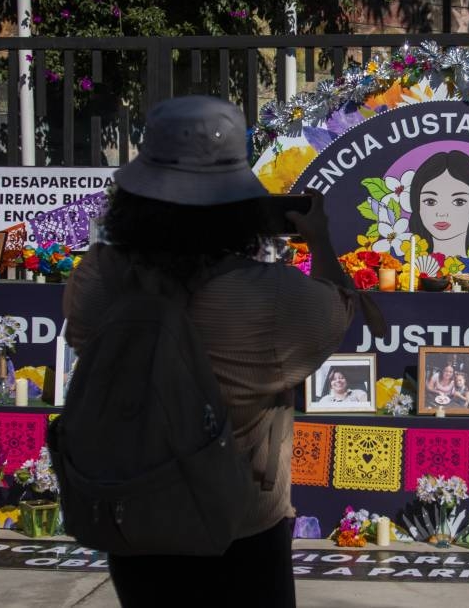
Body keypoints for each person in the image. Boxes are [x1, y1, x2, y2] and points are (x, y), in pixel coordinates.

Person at [62, 95, 374, 608]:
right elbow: (335, 312)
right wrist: (318, 242)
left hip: (131, 516)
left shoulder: (98, 276)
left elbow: (82, 337)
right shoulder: (271, 299)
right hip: (238, 528)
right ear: (238, 204)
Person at [407, 150, 469, 257]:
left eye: (459, 202)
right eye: (430, 201)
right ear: (417, 204)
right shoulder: (406, 265)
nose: (442, 213)